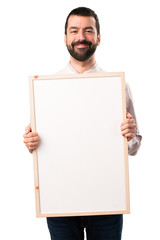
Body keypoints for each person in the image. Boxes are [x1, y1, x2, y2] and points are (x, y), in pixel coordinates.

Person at [23, 7, 142, 240]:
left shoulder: (118, 86)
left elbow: (135, 146)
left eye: (88, 30)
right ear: (66, 38)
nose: (81, 37)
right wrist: (31, 142)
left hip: (107, 201)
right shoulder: (46, 89)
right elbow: (38, 145)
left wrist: (130, 136)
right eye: (74, 30)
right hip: (60, 203)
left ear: (98, 37)